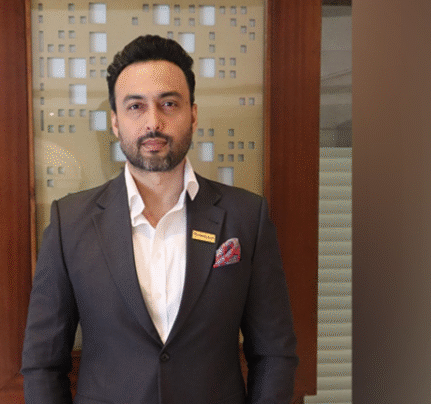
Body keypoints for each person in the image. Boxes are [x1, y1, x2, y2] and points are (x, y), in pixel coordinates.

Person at [21, 35, 298, 404]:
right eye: (135, 106)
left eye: (169, 104)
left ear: (193, 115)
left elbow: (274, 353)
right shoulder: (69, 223)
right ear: (116, 122)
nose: (153, 122)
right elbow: (43, 363)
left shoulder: (247, 217)